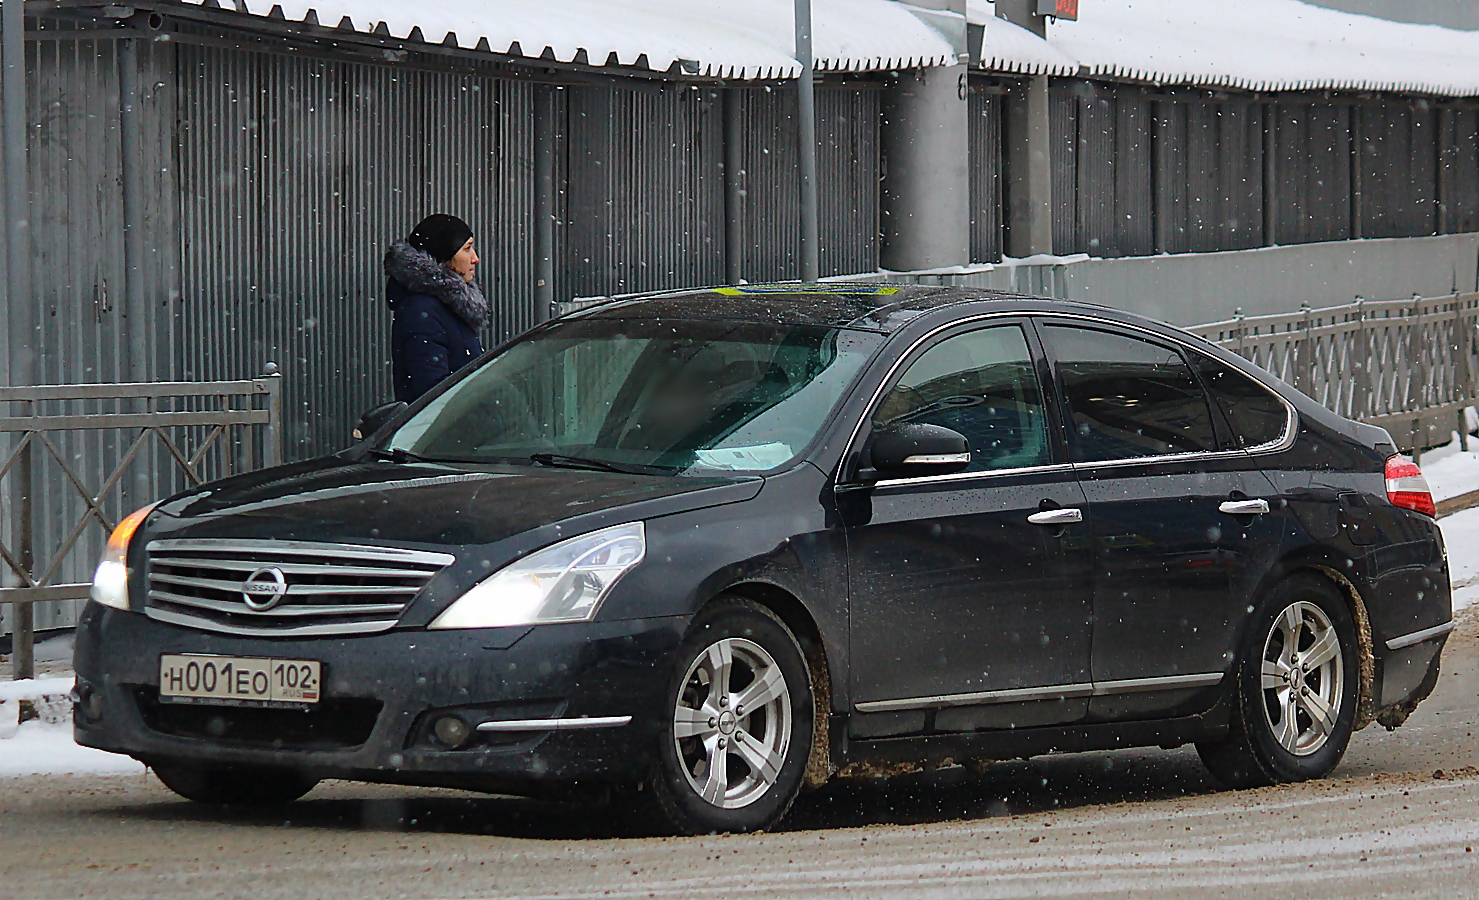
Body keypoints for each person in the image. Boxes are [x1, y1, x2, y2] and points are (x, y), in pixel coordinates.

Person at [384, 214, 489, 402]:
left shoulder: (449, 305)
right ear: (444, 256)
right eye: (467, 249)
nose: (475, 258)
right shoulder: (421, 310)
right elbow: (433, 393)